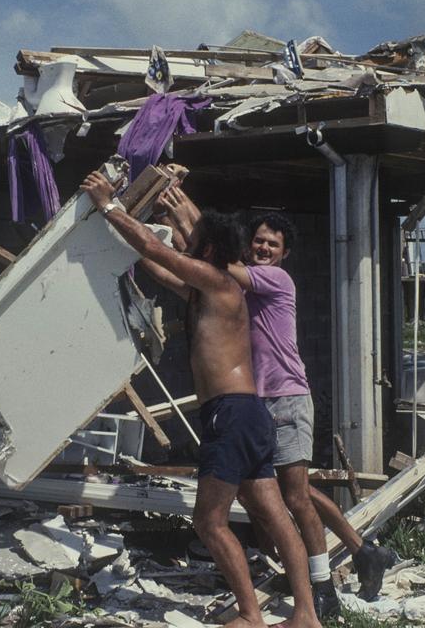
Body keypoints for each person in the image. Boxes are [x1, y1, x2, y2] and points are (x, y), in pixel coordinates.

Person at [81, 171, 320, 628]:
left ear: (208, 251)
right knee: (274, 514)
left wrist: (109, 205)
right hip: (247, 413)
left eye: (195, 244)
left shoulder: (217, 281)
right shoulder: (204, 290)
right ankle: (305, 616)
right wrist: (127, 228)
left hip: (230, 416)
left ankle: (251, 616)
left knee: (209, 522)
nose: (186, 247)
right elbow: (154, 261)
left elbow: (159, 250)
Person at [158, 188, 397, 609]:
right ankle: (361, 552)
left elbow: (210, 254)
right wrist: (158, 241)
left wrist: (183, 212)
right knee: (287, 493)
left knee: (295, 496)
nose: (264, 247)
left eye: (273, 243)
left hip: (284, 398)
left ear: (284, 254)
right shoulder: (235, 286)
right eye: (259, 241)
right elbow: (195, 266)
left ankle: (322, 589)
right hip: (254, 405)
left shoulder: (272, 279)